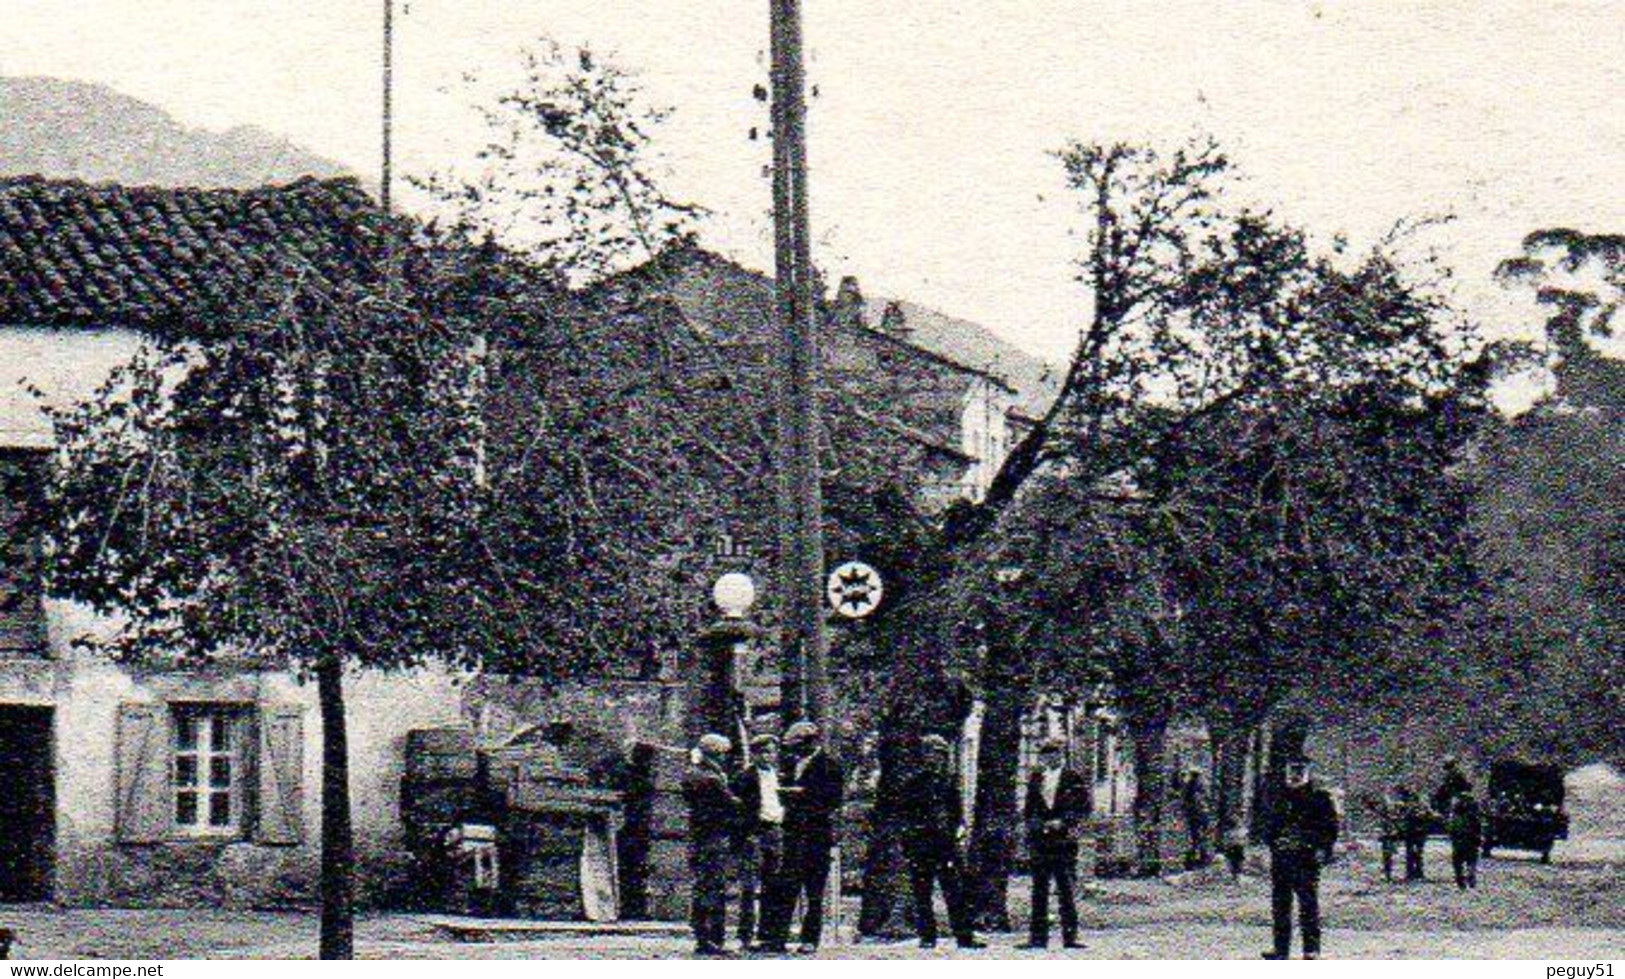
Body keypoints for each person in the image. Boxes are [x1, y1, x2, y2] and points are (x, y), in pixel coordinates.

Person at [759, 721, 844, 954]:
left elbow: (834, 800)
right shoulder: (790, 764)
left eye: (799, 746)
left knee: (814, 891)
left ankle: (810, 939)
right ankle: (777, 938)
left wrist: (805, 795)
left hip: (817, 834)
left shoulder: (829, 766)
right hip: (793, 833)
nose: (795, 751)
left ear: (812, 742)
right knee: (786, 886)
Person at [898, 734, 985, 950]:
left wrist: (958, 831)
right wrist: (911, 839)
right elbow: (905, 816)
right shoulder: (913, 783)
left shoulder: (948, 782)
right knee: (922, 891)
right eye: (931, 753)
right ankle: (927, 935)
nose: (935, 758)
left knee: (954, 891)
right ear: (924, 755)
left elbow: (956, 812)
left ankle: (963, 936)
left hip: (945, 845)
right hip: (920, 844)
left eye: (940, 754)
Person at [1262, 758, 1339, 960]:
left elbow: (1330, 828)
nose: (1295, 774)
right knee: (1280, 905)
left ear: (1308, 772)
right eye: (1292, 769)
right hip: (1281, 858)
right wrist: (1273, 842)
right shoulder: (1277, 797)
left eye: (1300, 770)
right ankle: (1280, 949)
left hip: (1306, 858)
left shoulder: (1320, 798)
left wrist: (1321, 847)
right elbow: (1267, 824)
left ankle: (1311, 949)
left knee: (1308, 903)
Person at [1021, 737, 1090, 950]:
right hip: (1041, 840)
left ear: (1061, 755)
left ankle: (1070, 937)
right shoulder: (1036, 778)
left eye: (1055, 753)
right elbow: (1029, 808)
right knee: (1039, 888)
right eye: (1047, 753)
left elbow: (1083, 807)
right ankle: (1037, 938)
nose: (1051, 757)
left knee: (1065, 888)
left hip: (1063, 840)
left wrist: (1064, 821)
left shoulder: (1072, 777)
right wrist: (1037, 824)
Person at [683, 733, 743, 956]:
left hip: (698, 836)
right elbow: (732, 804)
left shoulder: (693, 773)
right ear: (718, 754)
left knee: (703, 886)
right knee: (714, 887)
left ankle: (703, 934)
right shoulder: (712, 779)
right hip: (713, 838)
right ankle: (712, 938)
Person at [734, 734, 785, 950]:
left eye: (771, 751)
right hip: (754, 832)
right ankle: (745, 934)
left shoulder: (779, 776)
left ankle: (768, 934)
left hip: (775, 831)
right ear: (755, 754)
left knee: (773, 883)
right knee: (749, 885)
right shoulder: (744, 777)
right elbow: (737, 808)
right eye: (763, 751)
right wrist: (746, 832)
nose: (767, 756)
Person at [1448, 790, 1482, 891]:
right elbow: (1478, 827)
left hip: (1460, 839)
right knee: (1471, 859)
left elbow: (1451, 828)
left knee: (1458, 861)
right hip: (1470, 839)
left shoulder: (1455, 814)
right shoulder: (1474, 813)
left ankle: (1461, 879)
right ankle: (1470, 875)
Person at [1181, 769, 1213, 870]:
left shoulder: (1190, 787)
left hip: (1195, 815)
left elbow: (1186, 802)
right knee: (1199, 838)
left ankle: (1196, 860)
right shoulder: (1199, 787)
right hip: (1199, 815)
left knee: (1195, 838)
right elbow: (1204, 800)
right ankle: (1199, 859)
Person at [1377, 783, 1407, 883]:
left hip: (1393, 830)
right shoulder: (1391, 802)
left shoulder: (1396, 802)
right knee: (1388, 853)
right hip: (1389, 831)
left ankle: (1389, 874)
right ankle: (1388, 874)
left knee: (1389, 853)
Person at [1400, 786, 1430, 882]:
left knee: (1417, 853)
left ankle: (1417, 872)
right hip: (1412, 832)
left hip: (1418, 832)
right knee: (1411, 853)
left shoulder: (1421, 807)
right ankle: (1412, 873)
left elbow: (1427, 816)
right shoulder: (1406, 807)